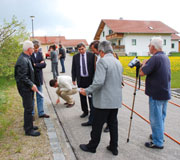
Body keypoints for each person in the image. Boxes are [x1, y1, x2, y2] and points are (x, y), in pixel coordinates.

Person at [79, 41, 123, 155]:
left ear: (102, 51)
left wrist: (87, 91)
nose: (98, 54)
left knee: (97, 125)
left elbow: (98, 82)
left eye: (99, 52)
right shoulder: (117, 62)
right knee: (113, 124)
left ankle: (92, 146)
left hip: (104, 100)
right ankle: (114, 147)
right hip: (115, 99)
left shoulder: (102, 61)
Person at [139, 37, 171, 149]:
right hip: (164, 92)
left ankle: (158, 142)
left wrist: (143, 64)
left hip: (156, 94)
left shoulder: (155, 58)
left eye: (149, 46)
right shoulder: (165, 57)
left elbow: (142, 73)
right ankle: (159, 135)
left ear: (153, 47)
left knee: (155, 119)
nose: (148, 47)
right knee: (161, 117)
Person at [14, 40, 40, 137]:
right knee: (28, 108)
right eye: (33, 48)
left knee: (30, 107)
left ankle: (29, 125)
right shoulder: (22, 60)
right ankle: (28, 130)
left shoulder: (26, 57)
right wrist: (31, 85)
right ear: (29, 49)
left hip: (28, 88)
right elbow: (22, 77)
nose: (34, 50)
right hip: (25, 89)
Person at [71, 42, 95, 118]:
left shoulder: (91, 55)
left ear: (85, 48)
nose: (81, 51)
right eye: (79, 49)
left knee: (91, 96)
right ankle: (85, 111)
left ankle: (92, 111)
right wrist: (73, 79)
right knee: (82, 97)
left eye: (82, 49)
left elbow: (94, 68)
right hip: (80, 79)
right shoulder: (75, 57)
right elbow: (73, 68)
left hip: (90, 79)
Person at [31, 40, 49, 120]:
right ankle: (31, 114)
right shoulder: (29, 54)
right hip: (31, 78)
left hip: (38, 78)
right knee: (31, 97)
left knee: (40, 96)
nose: (36, 49)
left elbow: (44, 64)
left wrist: (36, 64)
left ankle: (41, 112)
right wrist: (39, 64)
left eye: (38, 48)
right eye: (35, 48)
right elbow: (31, 65)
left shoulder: (40, 54)